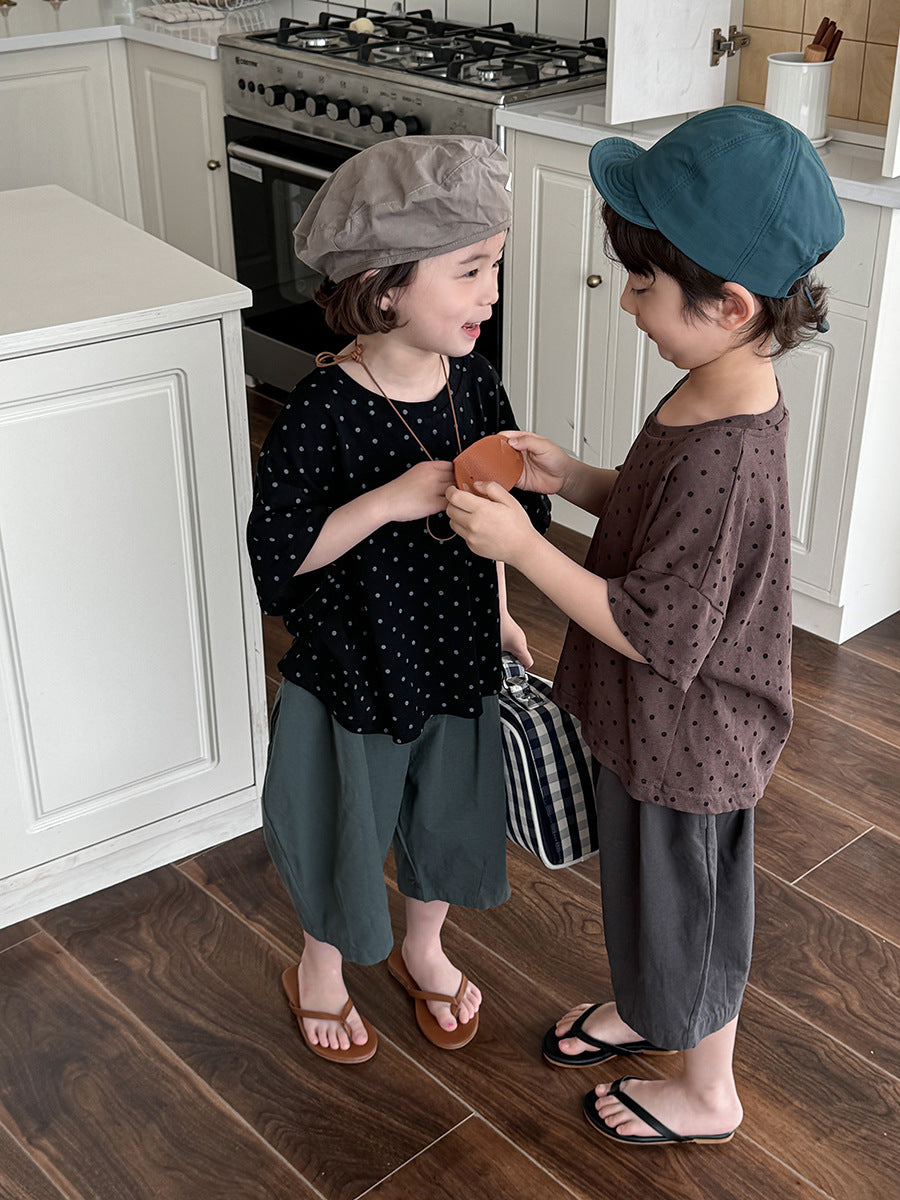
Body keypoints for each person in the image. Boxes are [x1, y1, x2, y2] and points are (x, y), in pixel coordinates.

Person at [446, 107, 843, 1143]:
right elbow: (658, 520)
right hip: (654, 722)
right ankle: (649, 1005)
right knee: (644, 891)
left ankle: (709, 1091)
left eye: (644, 283)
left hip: (693, 737)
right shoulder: (714, 386)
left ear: (730, 304)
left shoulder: (728, 449)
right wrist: (575, 479)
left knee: (691, 912)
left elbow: (660, 630)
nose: (627, 300)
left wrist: (525, 549)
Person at [246, 135, 550, 1064]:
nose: (491, 293)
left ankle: (425, 946)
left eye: (494, 266)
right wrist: (385, 501)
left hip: (455, 650)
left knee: (445, 811)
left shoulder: (478, 385)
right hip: (356, 666)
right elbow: (280, 556)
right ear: (385, 288)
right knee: (345, 820)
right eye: (469, 270)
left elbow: (495, 514)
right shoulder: (323, 408)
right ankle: (320, 966)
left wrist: (500, 608)